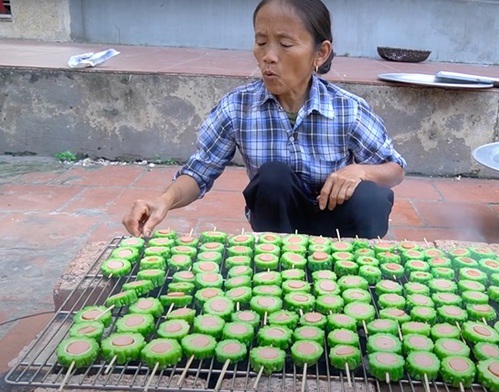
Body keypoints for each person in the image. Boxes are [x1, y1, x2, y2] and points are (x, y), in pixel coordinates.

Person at [122, 0, 406, 239]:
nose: (268, 56)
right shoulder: (238, 107)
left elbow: (394, 168)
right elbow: (200, 172)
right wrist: (163, 200)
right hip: (277, 227)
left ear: (320, 53)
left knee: (371, 196)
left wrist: (361, 172)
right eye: (261, 42)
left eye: (285, 44)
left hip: (340, 227)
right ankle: (277, 270)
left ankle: (354, 272)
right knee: (272, 178)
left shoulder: (347, 108)